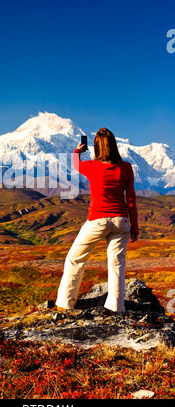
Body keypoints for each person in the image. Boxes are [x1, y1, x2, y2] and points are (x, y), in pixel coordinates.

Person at [55, 127, 139, 313]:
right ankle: (116, 308)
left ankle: (65, 304)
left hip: (97, 221)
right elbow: (131, 199)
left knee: (75, 259)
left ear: (96, 147)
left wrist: (78, 150)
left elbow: (76, 164)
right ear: (114, 145)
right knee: (117, 264)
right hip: (121, 221)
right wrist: (135, 226)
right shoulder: (126, 168)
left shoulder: (92, 166)